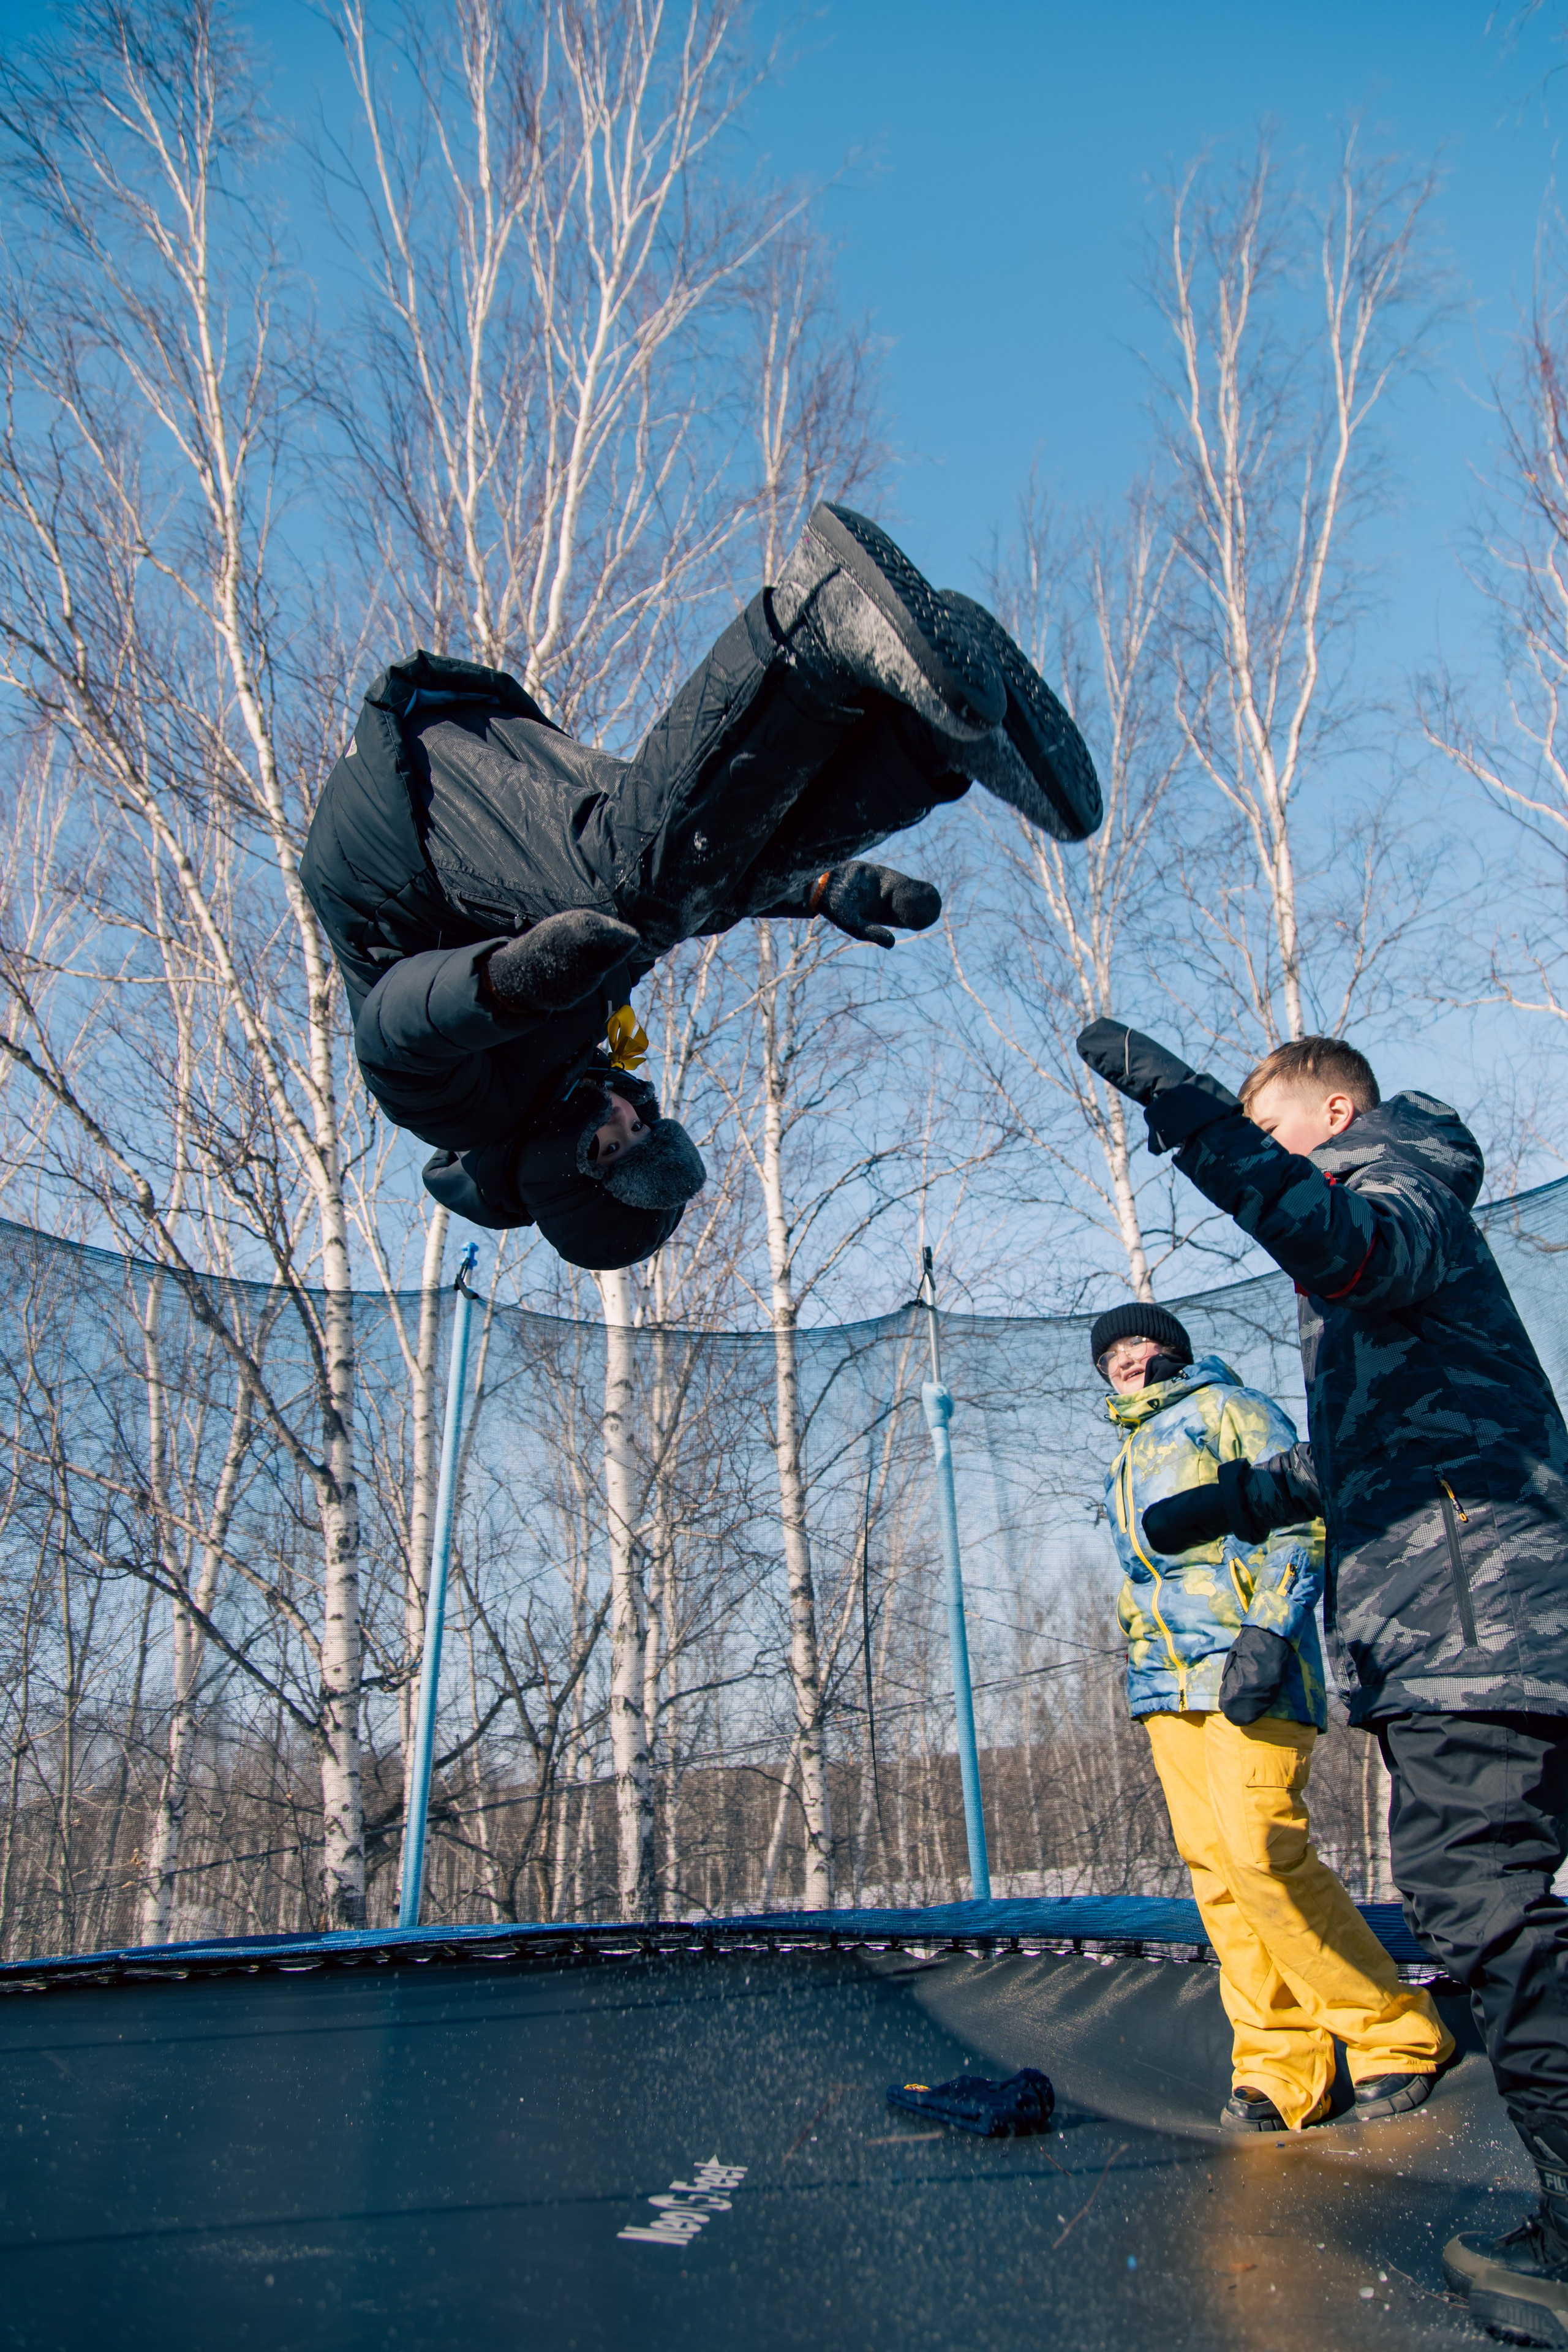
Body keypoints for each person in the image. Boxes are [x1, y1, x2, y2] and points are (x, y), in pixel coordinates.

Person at [1077, 1023, 1568, 2343]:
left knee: (1480, 1906)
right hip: (1454, 1618)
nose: (1272, 1158)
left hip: (1477, 1623)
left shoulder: (1396, 1191)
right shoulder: (1392, 1250)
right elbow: (1380, 1446)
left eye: (1273, 1130)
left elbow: (1345, 1243)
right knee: (1477, 1901)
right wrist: (1237, 1502)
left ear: (1333, 1113)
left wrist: (1199, 1122)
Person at [302, 502, 1100, 1270]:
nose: (624, 1115)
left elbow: (394, 1038)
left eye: (608, 1146)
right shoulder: (578, 1054)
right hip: (459, 797)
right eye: (642, 1130)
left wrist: (510, 983)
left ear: (561, 1179)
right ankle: (926, 738)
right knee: (666, 898)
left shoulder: (470, 1120)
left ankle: (815, 625)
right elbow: (680, 910)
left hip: (395, 841)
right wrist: (816, 887)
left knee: (619, 887)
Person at [1091, 1298, 1451, 2135]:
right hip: (1166, 1685)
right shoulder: (1127, 1453)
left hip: (1250, 1667)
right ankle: (1280, 2063)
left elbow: (1300, 1516)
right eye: (1111, 1358)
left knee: (1262, 1852)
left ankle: (1393, 2030)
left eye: (1138, 1345)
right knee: (1216, 1874)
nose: (1126, 1362)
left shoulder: (1230, 1408)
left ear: (1171, 1349)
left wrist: (1270, 1630)